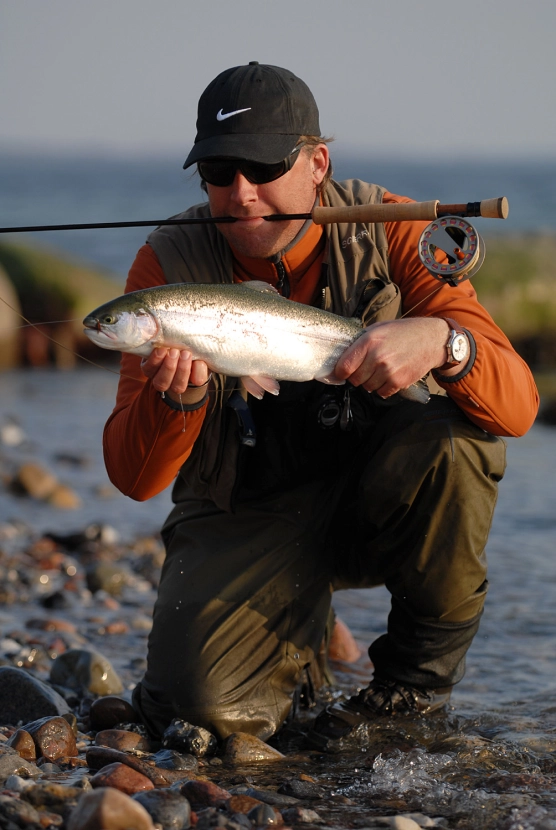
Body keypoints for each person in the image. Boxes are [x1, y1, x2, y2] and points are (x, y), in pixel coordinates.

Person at [103, 62, 539, 749]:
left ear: (317, 163)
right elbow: (134, 479)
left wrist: (446, 342)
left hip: (377, 500)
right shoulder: (165, 268)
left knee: (463, 443)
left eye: (263, 165)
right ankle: (301, 621)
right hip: (243, 511)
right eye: (219, 172)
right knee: (201, 713)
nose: (242, 194)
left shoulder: (395, 233)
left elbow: (517, 409)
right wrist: (180, 400)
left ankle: (412, 693)